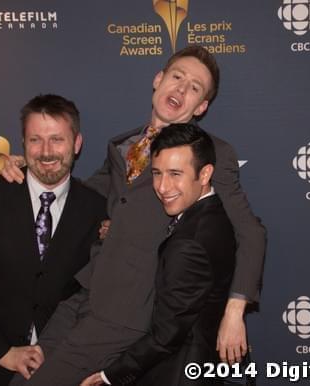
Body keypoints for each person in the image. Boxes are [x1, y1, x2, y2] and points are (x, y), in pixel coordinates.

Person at [5, 45, 266, 385]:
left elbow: (250, 231)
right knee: (27, 372)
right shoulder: (123, 146)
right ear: (158, 80)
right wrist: (32, 166)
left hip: (128, 314)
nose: (181, 88)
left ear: (200, 107)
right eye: (177, 77)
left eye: (194, 87)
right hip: (83, 296)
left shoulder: (212, 152)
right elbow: (79, 193)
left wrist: (235, 311)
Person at [0, 94, 106, 386]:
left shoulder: (97, 209)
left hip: (61, 372)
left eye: (57, 139)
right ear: (23, 145)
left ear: (77, 144)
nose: (46, 151)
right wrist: (2, 353)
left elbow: (96, 298)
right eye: (36, 140)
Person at [82, 123, 238, 386]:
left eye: (175, 174)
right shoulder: (216, 213)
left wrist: (109, 376)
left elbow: (166, 336)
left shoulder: (189, 244)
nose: (163, 187)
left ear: (205, 173)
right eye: (156, 173)